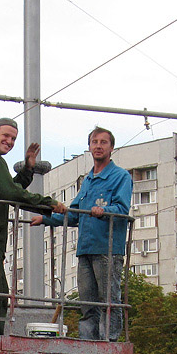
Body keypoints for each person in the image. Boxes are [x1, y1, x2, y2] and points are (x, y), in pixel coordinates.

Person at [0, 118, 67, 335]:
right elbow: (10, 193)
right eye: (5, 136)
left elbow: (7, 188)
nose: (9, 141)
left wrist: (28, 169)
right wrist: (49, 203)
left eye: (13, 138)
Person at [32, 127, 132, 341]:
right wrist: (45, 219)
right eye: (94, 142)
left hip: (107, 249)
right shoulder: (88, 180)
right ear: (89, 147)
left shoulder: (120, 177)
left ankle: (109, 343)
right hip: (85, 249)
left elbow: (122, 210)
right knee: (87, 303)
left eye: (103, 142)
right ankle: (89, 343)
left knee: (108, 301)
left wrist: (104, 211)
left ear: (111, 148)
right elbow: (74, 214)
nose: (98, 146)